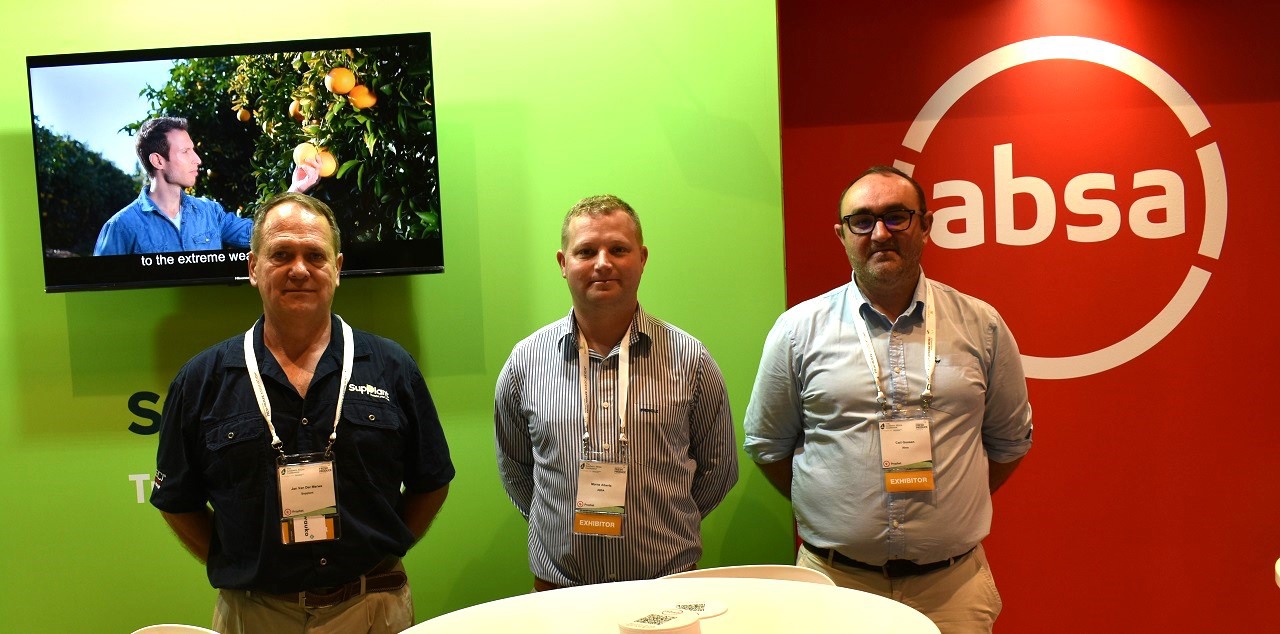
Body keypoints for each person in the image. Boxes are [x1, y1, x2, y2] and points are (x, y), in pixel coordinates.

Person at [743, 166, 1033, 633]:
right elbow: (768, 446)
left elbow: (1009, 442)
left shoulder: (982, 326)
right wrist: (837, 508)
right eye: (862, 221)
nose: (880, 233)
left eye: (897, 217)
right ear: (842, 235)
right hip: (835, 585)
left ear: (926, 225)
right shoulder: (797, 331)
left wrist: (949, 508)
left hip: (952, 589)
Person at [150, 192, 454, 633]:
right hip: (255, 613)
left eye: (315, 255)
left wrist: (382, 551)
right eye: (281, 254)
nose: (299, 269)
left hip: (372, 607)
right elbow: (178, 502)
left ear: (337, 268)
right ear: (253, 268)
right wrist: (244, 564)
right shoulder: (202, 380)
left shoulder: (392, 367)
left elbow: (432, 482)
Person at [495, 194, 738, 590]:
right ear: (563, 263)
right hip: (560, 589)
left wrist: (667, 522)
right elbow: (516, 468)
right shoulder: (524, 362)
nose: (603, 263)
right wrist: (555, 522)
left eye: (618, 249)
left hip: (667, 584)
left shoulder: (690, 359)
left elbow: (718, 468)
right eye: (586, 251)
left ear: (642, 258)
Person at [93, 116, 319, 256]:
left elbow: (260, 233)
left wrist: (296, 190)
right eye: (185, 151)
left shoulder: (210, 212)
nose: (198, 159)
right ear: (158, 161)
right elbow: (102, 294)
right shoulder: (121, 227)